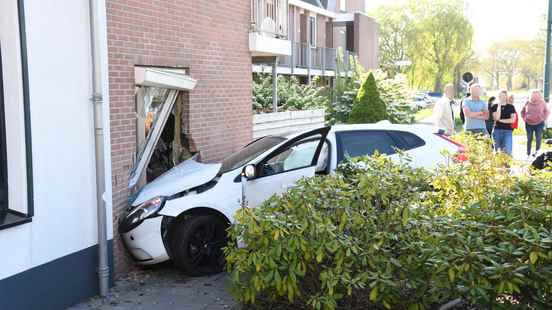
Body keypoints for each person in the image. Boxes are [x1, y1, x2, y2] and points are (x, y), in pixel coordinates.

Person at [522, 90, 550, 156]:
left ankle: (537, 153)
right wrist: (524, 118)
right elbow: (522, 111)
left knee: (538, 138)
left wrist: (543, 118)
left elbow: (547, 111)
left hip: (539, 123)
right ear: (531, 95)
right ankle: (528, 153)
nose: (534, 96)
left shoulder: (542, 102)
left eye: (536, 95)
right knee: (529, 138)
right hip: (529, 124)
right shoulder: (527, 102)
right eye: (533, 95)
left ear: (539, 96)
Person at [490, 90, 516, 155]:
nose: (503, 97)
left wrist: (501, 120)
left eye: (504, 96)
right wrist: (499, 106)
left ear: (507, 97)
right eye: (501, 96)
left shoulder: (511, 107)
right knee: (498, 151)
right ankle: (499, 165)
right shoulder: (494, 106)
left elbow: (513, 120)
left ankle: (507, 165)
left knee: (508, 150)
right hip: (497, 131)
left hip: (508, 131)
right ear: (498, 96)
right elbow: (496, 118)